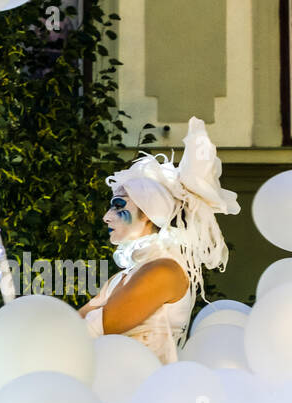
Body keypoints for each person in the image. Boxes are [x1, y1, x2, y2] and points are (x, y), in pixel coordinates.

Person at [80, 117, 240, 364]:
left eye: (117, 207)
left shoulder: (163, 270)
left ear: (147, 214)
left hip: (141, 394)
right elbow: (76, 323)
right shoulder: (127, 274)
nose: (106, 217)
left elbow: (86, 333)